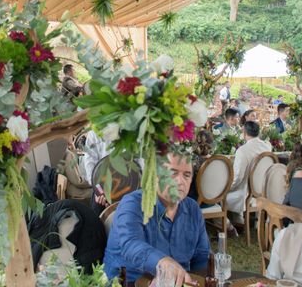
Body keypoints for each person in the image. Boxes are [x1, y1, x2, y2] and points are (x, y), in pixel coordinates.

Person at [103, 153, 209, 285]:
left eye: (186, 175)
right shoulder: (132, 203)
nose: (180, 181)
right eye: (173, 173)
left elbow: (202, 258)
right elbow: (131, 245)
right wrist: (163, 262)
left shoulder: (193, 209)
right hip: (126, 282)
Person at [226, 121, 272, 219]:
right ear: (258, 133)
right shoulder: (267, 147)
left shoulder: (243, 151)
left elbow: (238, 177)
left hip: (246, 193)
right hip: (264, 189)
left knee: (219, 194)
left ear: (244, 133)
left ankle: (234, 222)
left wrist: (226, 188)